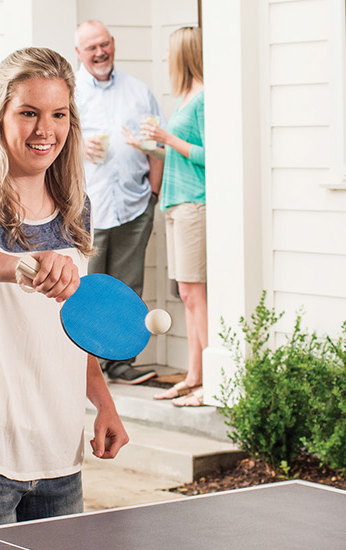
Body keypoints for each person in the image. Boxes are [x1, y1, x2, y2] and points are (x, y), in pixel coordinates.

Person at [0, 47, 131, 533]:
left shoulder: (76, 208)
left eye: (58, 114)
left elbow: (73, 326)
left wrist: (103, 402)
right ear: (0, 117)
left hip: (57, 454)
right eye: (28, 113)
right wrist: (21, 266)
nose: (44, 130)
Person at [75, 19, 163, 385]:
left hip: (134, 205)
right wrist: (77, 146)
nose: (100, 53)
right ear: (78, 53)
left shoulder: (139, 91)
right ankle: (86, 369)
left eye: (104, 44)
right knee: (87, 292)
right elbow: (49, 143)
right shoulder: (69, 94)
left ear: (113, 43)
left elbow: (157, 145)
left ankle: (122, 363)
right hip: (87, 211)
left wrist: (153, 195)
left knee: (128, 291)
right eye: (91, 48)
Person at [136, 27, 208, 407]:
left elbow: (210, 155)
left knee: (194, 294)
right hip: (176, 203)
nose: (165, 58)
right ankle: (194, 376)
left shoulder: (203, 99)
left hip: (195, 203)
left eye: (169, 51)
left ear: (183, 54)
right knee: (187, 294)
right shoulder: (184, 99)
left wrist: (167, 138)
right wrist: (148, 147)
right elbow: (180, 155)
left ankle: (211, 382)